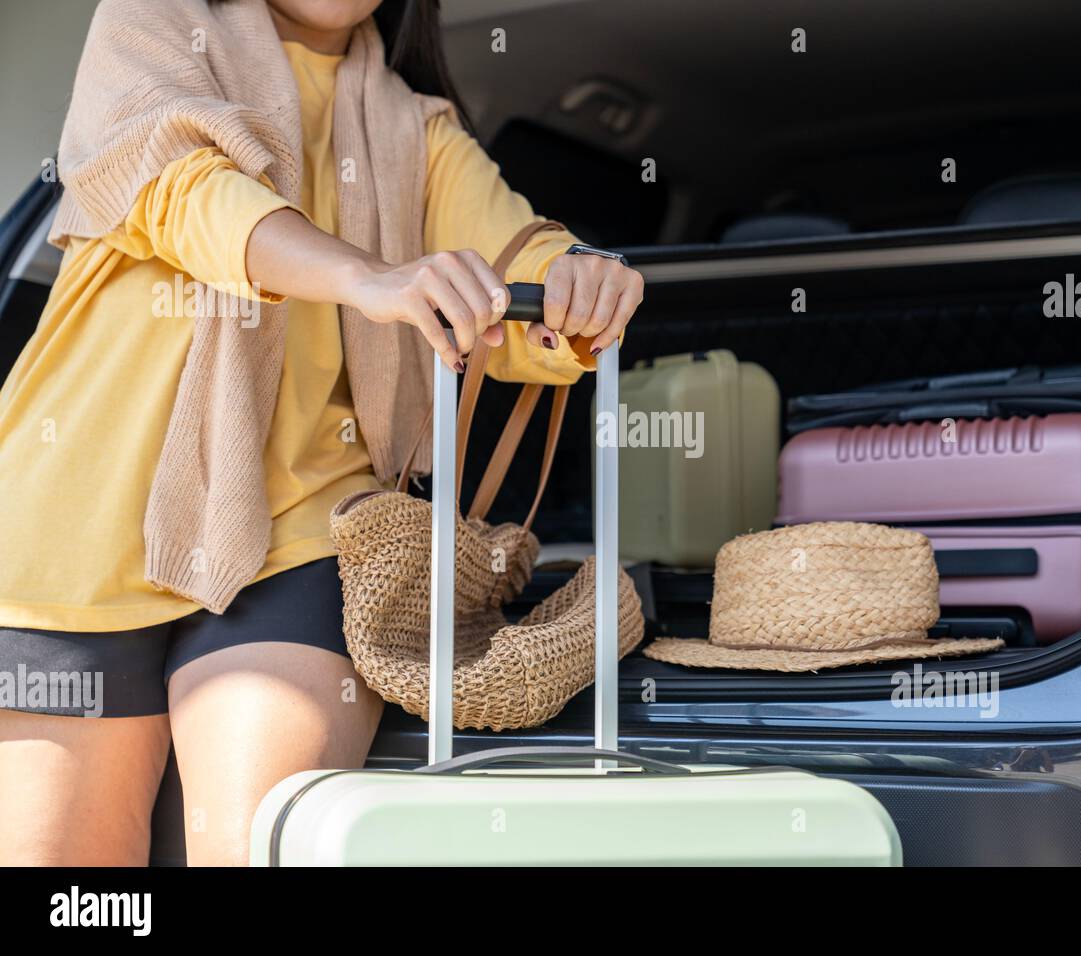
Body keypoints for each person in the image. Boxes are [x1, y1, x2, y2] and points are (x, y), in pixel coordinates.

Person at [0, 0, 643, 866]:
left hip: (298, 535)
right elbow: (180, 189)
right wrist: (367, 277)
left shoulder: (417, 131)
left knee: (252, 847)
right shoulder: (149, 20)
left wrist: (578, 287)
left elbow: (515, 257)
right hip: (69, 527)